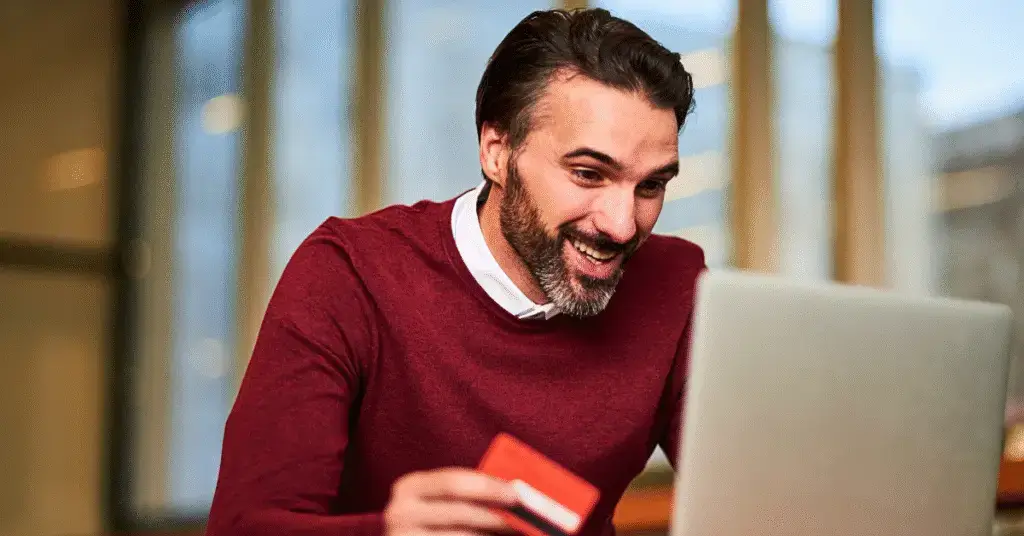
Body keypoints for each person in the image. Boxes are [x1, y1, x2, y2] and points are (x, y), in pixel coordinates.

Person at [206, 7, 702, 536]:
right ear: (497, 150)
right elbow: (244, 527)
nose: (623, 226)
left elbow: (754, 492)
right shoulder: (349, 275)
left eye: (650, 186)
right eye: (587, 173)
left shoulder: (674, 286)